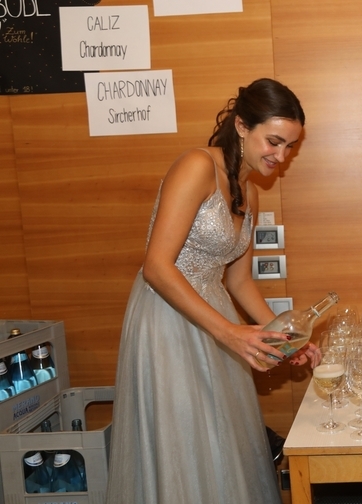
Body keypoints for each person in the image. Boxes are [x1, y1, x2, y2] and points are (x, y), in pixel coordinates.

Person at [106, 78, 320, 504]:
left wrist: (284, 336)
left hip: (218, 318)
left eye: (290, 147)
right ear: (242, 126)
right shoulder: (196, 166)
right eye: (274, 142)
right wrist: (229, 332)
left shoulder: (251, 191)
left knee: (219, 440)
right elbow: (156, 267)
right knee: (183, 438)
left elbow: (238, 281)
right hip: (168, 317)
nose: (281, 157)